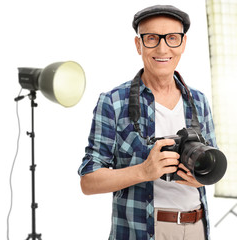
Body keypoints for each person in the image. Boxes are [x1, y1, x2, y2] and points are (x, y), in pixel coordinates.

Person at [78, 5, 217, 240]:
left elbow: (211, 165)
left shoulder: (199, 101)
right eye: (152, 38)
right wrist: (144, 171)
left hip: (197, 227)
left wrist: (199, 177)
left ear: (183, 44)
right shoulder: (113, 102)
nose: (163, 48)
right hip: (144, 230)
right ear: (138, 45)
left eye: (172, 38)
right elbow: (88, 181)